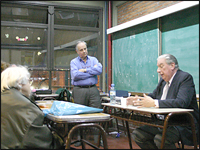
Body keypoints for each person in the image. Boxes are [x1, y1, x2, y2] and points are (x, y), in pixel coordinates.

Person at [127, 54, 199, 149]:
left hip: (183, 124)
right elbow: (153, 96)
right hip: (164, 122)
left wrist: (155, 103)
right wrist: (138, 100)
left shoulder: (185, 78)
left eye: (161, 66)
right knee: (138, 134)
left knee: (160, 139)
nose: (158, 70)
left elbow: (182, 102)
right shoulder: (163, 81)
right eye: (158, 67)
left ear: (172, 66)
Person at [1, 65, 64, 149]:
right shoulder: (26, 107)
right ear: (20, 83)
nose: (30, 85)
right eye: (28, 82)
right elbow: (44, 144)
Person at [70, 41, 103, 146]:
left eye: (85, 49)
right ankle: (79, 139)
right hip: (79, 90)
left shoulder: (93, 60)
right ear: (77, 51)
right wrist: (91, 72)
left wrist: (84, 70)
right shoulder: (74, 62)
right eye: (81, 50)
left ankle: (97, 139)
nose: (84, 51)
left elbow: (99, 70)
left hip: (93, 89)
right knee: (80, 114)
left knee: (96, 114)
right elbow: (75, 76)